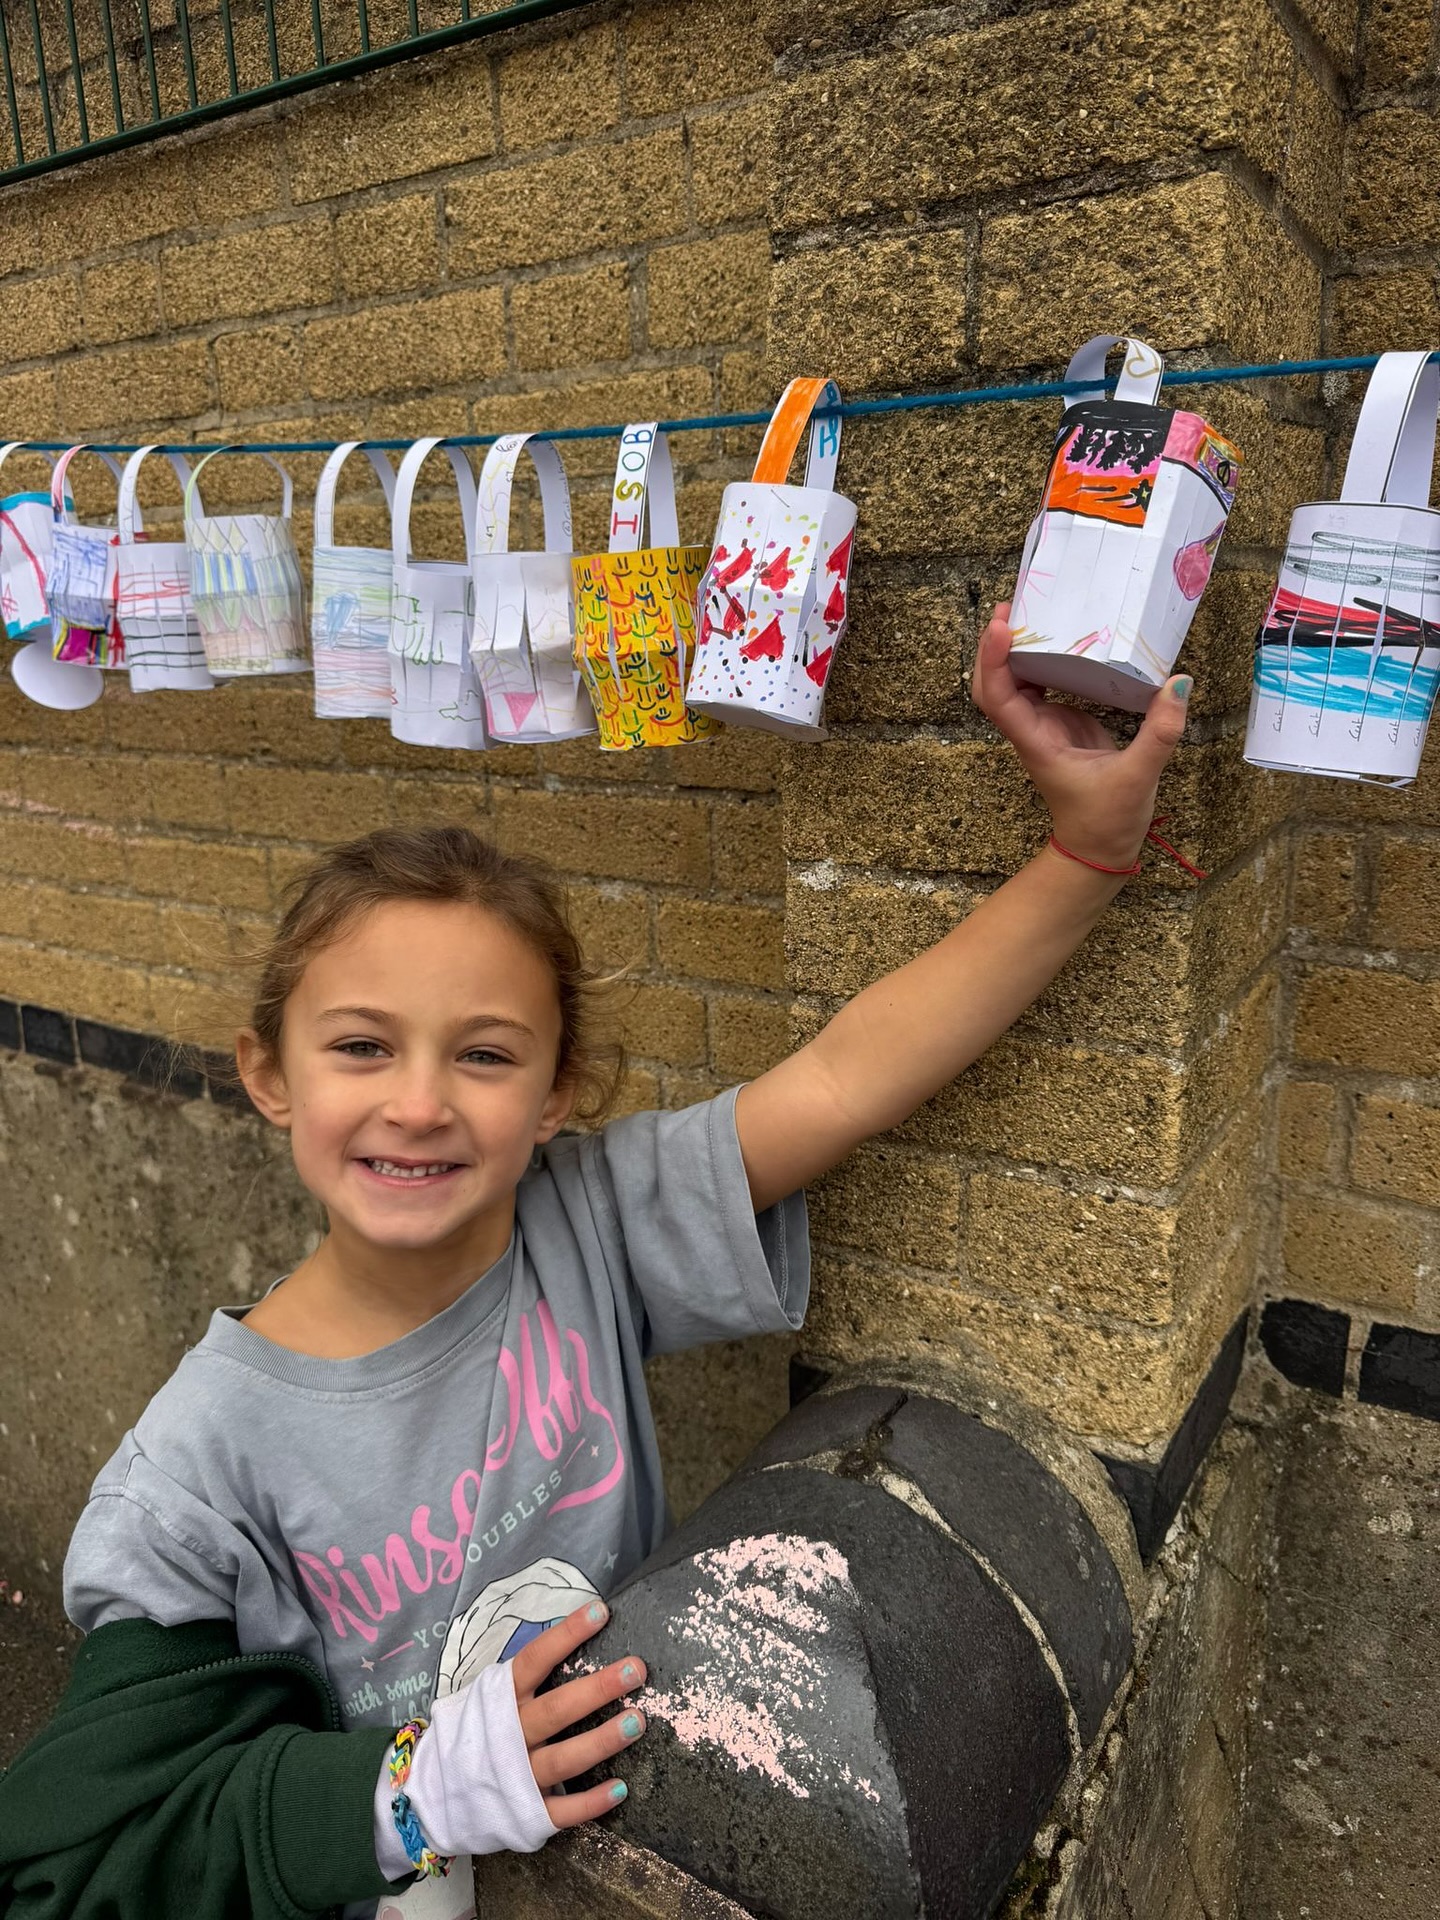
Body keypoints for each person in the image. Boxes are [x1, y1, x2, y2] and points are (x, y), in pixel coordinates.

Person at [0, 611, 1193, 1920]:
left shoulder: (581, 1226)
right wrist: (403, 1792)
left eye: (485, 1054)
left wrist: (1087, 854)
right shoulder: (194, 1478)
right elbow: (82, 1857)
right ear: (268, 1076)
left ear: (557, 1093)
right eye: (360, 1047)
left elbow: (849, 1076)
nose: (419, 1103)